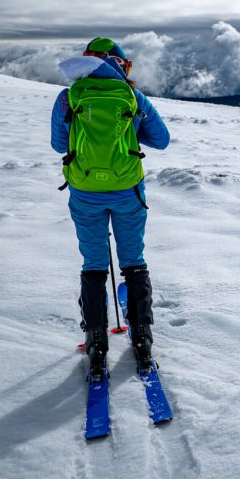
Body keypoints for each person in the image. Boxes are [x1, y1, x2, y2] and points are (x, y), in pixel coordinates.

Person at [51, 37, 170, 379]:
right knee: (133, 261)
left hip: (85, 191)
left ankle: (95, 340)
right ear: (121, 65)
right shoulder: (132, 96)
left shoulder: (68, 96)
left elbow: (59, 143)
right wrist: (131, 131)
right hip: (127, 191)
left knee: (93, 263)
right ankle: (143, 338)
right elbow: (161, 140)